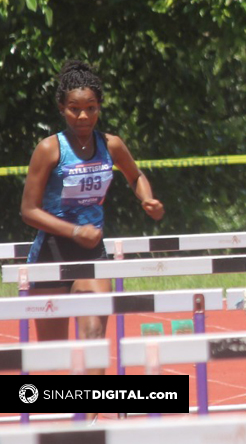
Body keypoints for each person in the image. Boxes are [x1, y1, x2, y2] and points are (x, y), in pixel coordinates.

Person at [21, 61, 164, 417]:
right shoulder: (49, 149)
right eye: (74, 109)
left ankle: (93, 416)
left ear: (99, 107)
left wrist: (145, 197)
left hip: (92, 253)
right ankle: (67, 411)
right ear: (61, 108)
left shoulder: (111, 145)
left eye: (90, 109)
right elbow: (28, 210)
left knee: (93, 331)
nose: (83, 117)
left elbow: (136, 175)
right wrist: (73, 230)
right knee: (52, 354)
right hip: (51, 254)